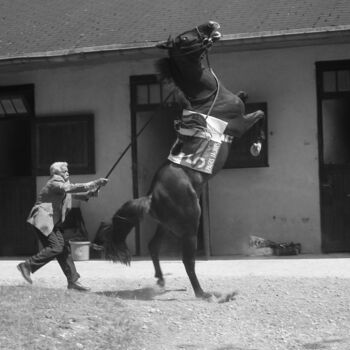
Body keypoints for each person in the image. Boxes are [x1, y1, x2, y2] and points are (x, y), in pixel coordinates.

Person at [17, 161, 108, 292]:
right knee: (56, 247)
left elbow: (73, 194)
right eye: (64, 171)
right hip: (43, 219)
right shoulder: (55, 182)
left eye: (67, 170)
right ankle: (27, 266)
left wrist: (92, 191)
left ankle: (73, 281)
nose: (68, 172)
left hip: (51, 222)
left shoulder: (62, 186)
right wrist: (95, 183)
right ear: (56, 173)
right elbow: (69, 189)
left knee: (63, 250)